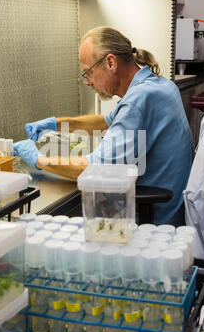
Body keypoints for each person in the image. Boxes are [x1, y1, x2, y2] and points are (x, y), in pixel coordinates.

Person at [13, 26, 194, 226]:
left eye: (88, 72)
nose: (86, 82)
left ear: (110, 62)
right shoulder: (157, 86)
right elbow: (107, 121)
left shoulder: (138, 101)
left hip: (156, 222)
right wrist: (56, 124)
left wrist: (39, 160)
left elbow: (94, 167)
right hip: (175, 209)